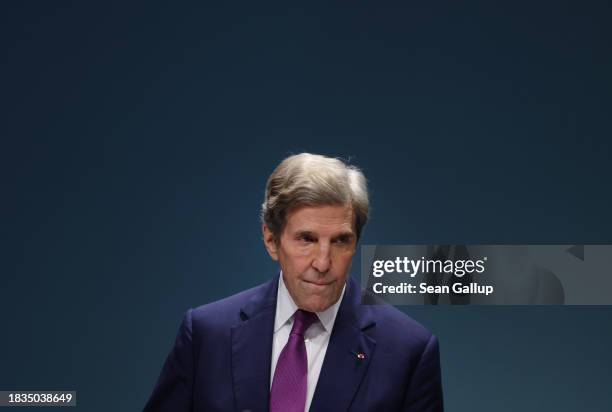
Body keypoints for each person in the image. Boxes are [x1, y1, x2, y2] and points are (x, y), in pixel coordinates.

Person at [143, 153, 444, 412]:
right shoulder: (207, 334)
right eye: (306, 239)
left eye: (340, 241)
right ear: (271, 240)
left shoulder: (409, 351)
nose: (323, 263)